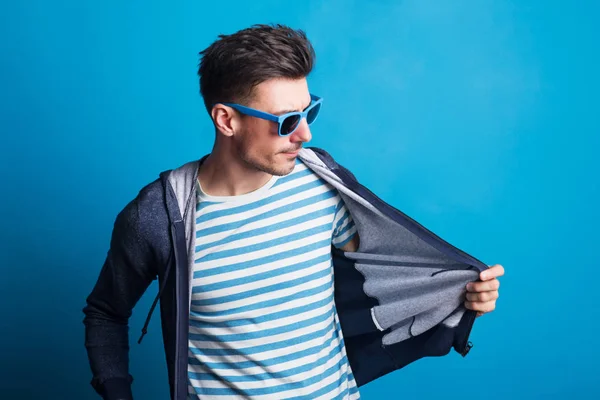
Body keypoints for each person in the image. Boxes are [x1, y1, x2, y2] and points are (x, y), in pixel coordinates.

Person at [83, 24, 504, 400]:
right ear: (226, 120)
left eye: (309, 111)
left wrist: (459, 293)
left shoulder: (322, 183)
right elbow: (106, 313)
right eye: (286, 121)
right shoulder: (159, 217)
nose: (305, 133)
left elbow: (387, 269)